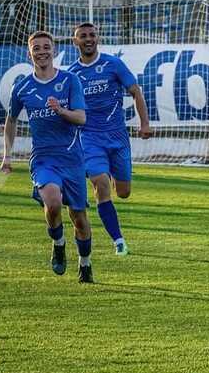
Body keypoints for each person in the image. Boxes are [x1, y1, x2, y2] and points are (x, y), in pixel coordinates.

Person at [1, 31, 94, 283]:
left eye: (46, 47)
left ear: (53, 50)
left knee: (79, 218)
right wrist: (7, 155)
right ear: (29, 53)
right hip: (43, 159)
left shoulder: (70, 80)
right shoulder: (22, 87)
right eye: (36, 48)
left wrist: (61, 110)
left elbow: (81, 118)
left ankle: (85, 263)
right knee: (52, 203)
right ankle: (59, 243)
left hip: (72, 159)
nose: (42, 52)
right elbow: (11, 121)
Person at [69, 22, 151, 256]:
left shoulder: (113, 64)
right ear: (75, 41)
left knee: (123, 192)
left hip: (117, 136)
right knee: (100, 183)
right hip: (88, 138)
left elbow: (135, 91)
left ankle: (113, 174)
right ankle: (118, 241)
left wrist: (144, 123)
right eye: (83, 36)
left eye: (92, 35)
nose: (88, 39)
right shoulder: (72, 74)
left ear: (98, 38)